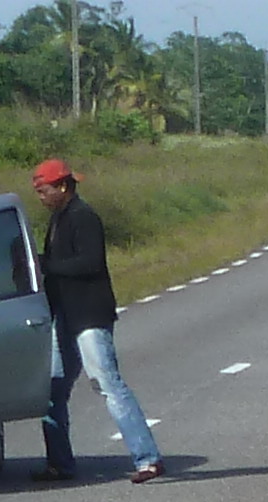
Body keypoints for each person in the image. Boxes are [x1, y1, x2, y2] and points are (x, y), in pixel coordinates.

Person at [29, 156, 160, 484]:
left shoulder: (83, 217)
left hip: (88, 315)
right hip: (65, 318)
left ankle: (148, 458)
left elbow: (90, 263)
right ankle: (60, 463)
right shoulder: (59, 218)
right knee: (53, 390)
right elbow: (60, 263)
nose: (41, 197)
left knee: (107, 384)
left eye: (44, 191)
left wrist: (47, 266)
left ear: (62, 186)